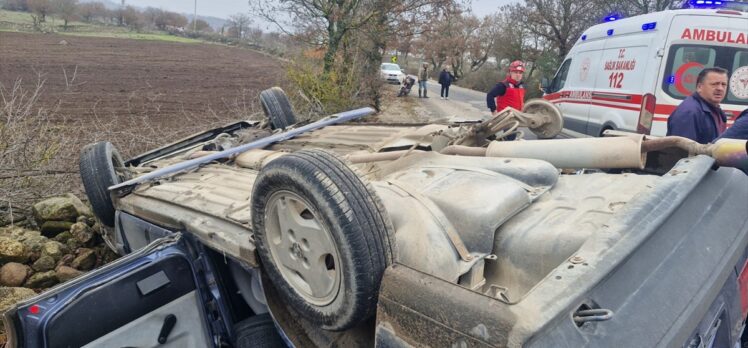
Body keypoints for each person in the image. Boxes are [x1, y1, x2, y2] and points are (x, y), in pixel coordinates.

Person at [666, 67, 729, 144]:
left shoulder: (714, 109)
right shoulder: (689, 113)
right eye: (714, 84)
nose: (720, 88)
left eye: (724, 84)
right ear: (699, 87)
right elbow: (682, 151)